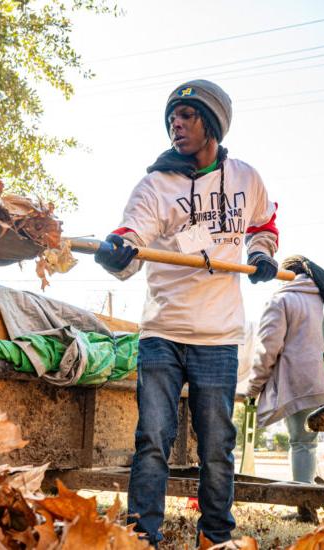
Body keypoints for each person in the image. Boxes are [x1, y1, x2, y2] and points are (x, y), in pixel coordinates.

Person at [94, 79, 279, 547]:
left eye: (187, 116)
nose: (176, 124)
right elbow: (131, 238)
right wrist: (117, 253)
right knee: (153, 440)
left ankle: (216, 536)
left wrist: (261, 254)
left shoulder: (245, 178)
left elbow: (263, 225)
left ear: (212, 122)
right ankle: (142, 536)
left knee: (217, 447)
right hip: (162, 333)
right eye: (172, 118)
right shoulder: (155, 185)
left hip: (219, 337)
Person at [245, 255, 324, 521]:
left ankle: (305, 510)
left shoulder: (282, 300)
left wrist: (253, 388)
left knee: (302, 444)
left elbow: (267, 352)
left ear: (287, 275)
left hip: (300, 387)